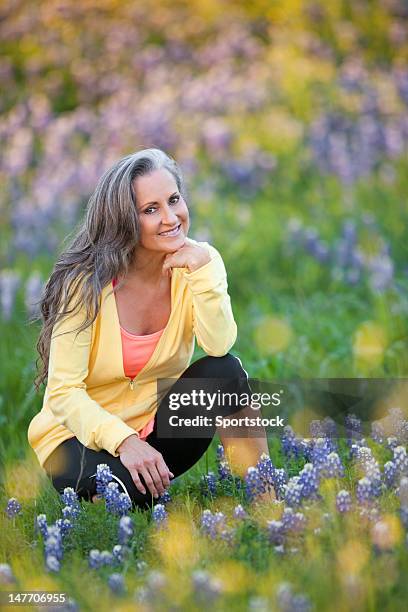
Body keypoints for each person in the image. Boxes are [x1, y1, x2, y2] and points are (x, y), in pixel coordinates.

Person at [28, 148, 273, 510]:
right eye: (151, 210)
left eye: (174, 200)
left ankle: (267, 502)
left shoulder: (199, 262)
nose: (171, 218)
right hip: (76, 439)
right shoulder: (84, 284)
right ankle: (118, 513)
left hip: (155, 430)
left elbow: (218, 344)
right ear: (123, 220)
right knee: (128, 495)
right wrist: (125, 441)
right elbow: (64, 394)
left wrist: (203, 274)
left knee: (226, 372)